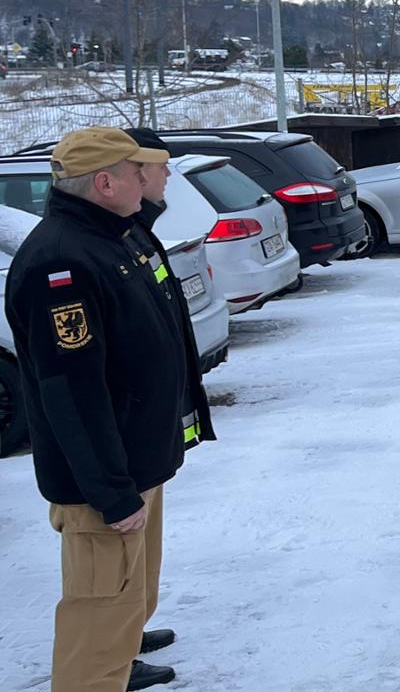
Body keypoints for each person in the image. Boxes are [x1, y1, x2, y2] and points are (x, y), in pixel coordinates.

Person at [7, 127, 213, 692]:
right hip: (105, 477)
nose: (154, 180)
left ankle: (122, 654)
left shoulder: (115, 236)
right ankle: (101, 672)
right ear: (106, 182)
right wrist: (110, 490)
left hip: (135, 456)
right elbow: (71, 391)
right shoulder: (62, 263)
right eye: (138, 171)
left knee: (131, 589)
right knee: (99, 610)